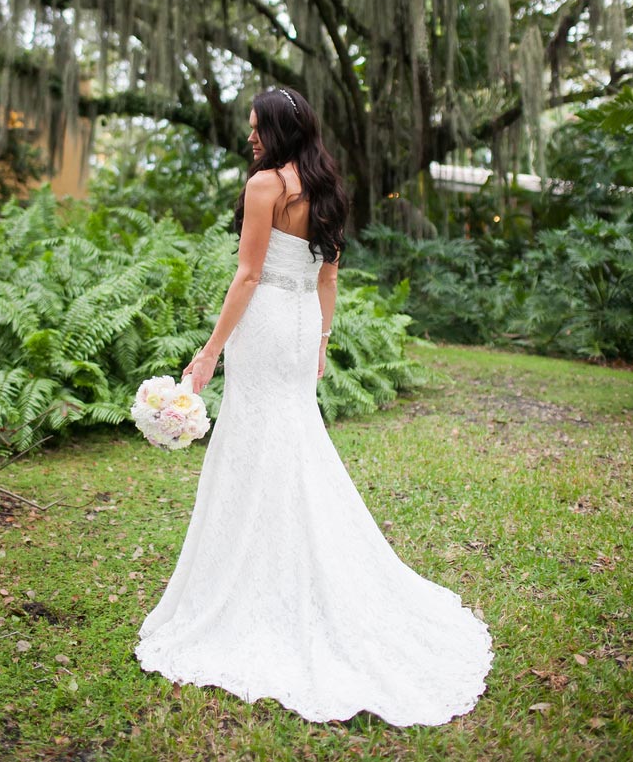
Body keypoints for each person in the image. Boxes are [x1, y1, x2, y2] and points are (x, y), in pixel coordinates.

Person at [135, 87, 492, 726]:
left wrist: (211, 351)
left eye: (255, 129)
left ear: (276, 131)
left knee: (258, 439)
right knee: (293, 439)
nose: (250, 139)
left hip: (267, 324)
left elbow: (246, 275)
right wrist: (322, 342)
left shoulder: (265, 186)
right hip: (301, 327)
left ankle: (259, 576)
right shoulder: (323, 185)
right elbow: (328, 278)